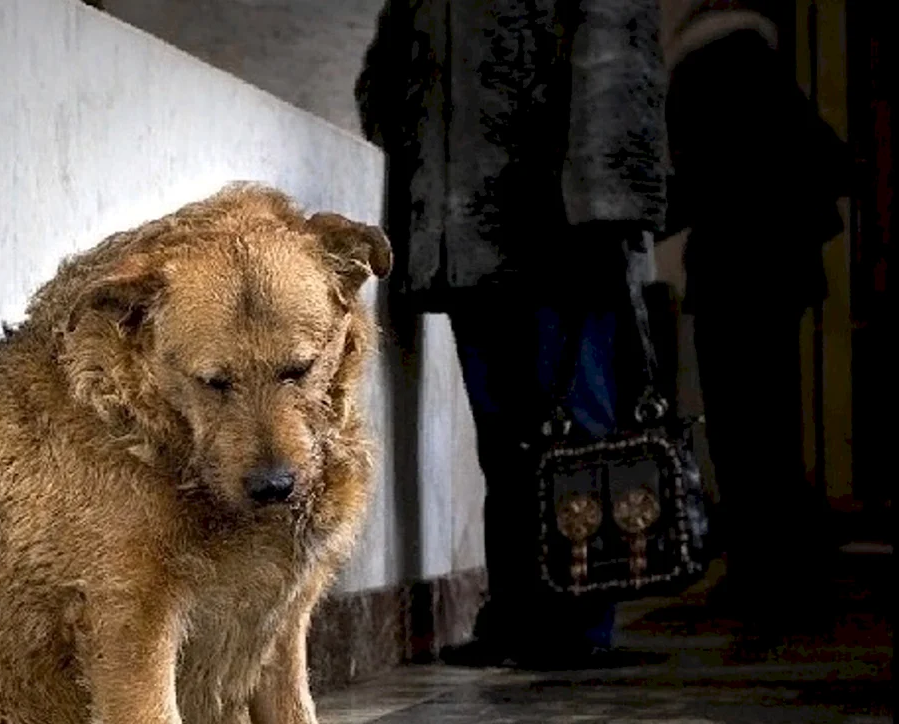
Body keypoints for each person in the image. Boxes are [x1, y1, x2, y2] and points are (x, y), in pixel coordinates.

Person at [355, 0, 670, 667]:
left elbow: (614, 47)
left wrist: (606, 208)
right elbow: (390, 66)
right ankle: (521, 614)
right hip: (467, 237)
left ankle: (581, 622)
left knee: (578, 433)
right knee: (505, 438)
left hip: (565, 226)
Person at [661, 0, 849, 637]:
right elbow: (834, 162)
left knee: (741, 428)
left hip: (732, 275)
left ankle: (760, 572)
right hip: (780, 275)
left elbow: (692, 180)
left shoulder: (704, 75)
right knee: (771, 422)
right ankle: (783, 568)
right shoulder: (770, 77)